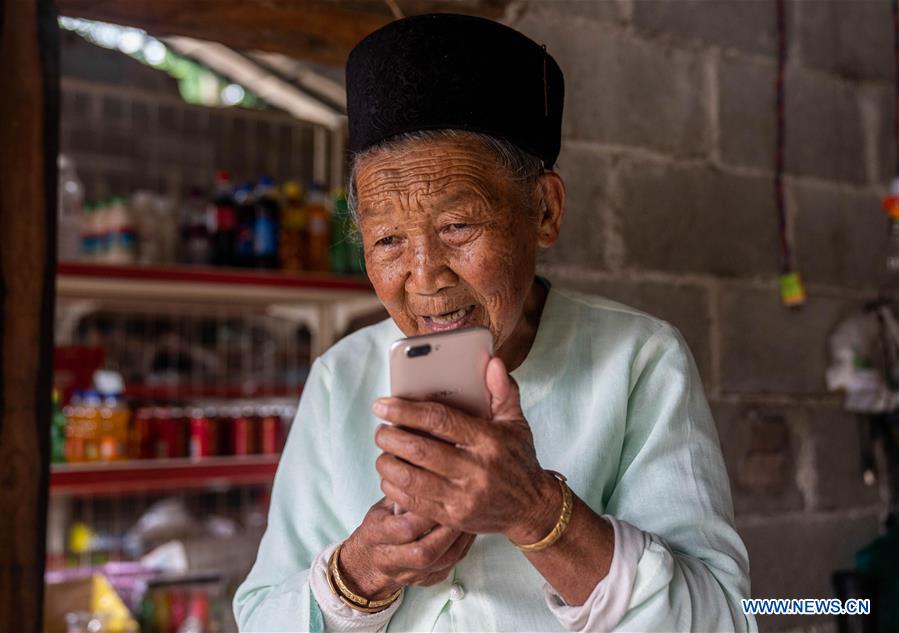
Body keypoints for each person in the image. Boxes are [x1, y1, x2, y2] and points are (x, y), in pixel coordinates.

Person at [235, 13, 755, 632]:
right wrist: (360, 573)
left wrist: (535, 511)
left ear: (544, 209)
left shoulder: (639, 360)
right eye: (389, 240)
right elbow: (261, 615)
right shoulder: (338, 378)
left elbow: (724, 618)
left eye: (458, 226)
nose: (425, 276)